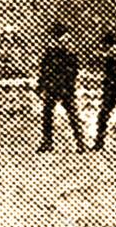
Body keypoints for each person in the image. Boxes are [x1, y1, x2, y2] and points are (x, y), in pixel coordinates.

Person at [37, 22, 86, 152]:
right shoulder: (67, 50)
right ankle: (79, 142)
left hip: (57, 86)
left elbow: (45, 70)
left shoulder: (55, 50)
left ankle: (49, 142)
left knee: (51, 114)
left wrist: (41, 85)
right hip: (62, 87)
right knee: (68, 114)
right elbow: (73, 70)